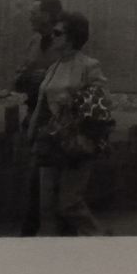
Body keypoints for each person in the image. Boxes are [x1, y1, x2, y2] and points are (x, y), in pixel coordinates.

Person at [28, 12, 110, 236]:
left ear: (71, 37)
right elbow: (42, 105)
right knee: (46, 204)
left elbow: (101, 101)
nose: (52, 37)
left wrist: (74, 103)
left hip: (77, 141)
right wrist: (31, 134)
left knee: (69, 203)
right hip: (51, 139)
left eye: (57, 33)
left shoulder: (89, 65)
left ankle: (99, 239)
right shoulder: (54, 66)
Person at [13, 0, 63, 235]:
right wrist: (24, 78)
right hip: (33, 115)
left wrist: (41, 78)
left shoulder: (63, 43)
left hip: (56, 120)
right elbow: (20, 77)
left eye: (35, 12)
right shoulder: (33, 42)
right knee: (33, 181)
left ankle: (30, 235)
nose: (30, 16)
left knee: (47, 183)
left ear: (50, 16)